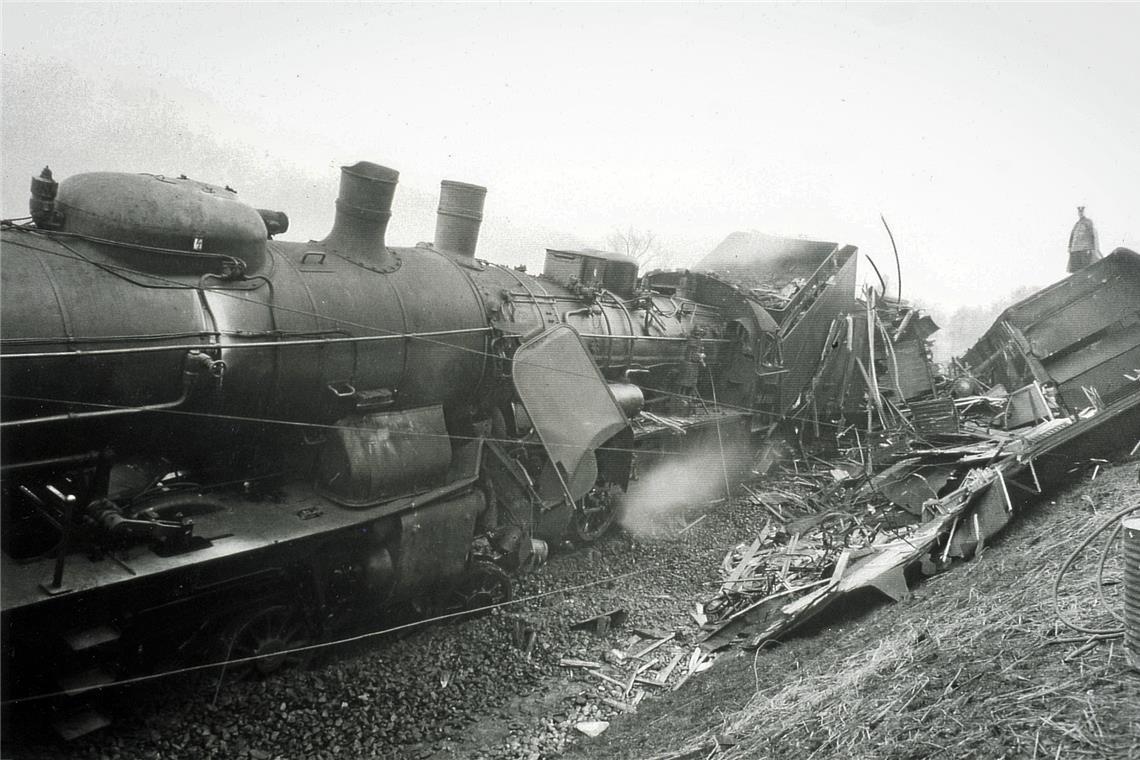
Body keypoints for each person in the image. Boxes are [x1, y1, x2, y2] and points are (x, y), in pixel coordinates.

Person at [1067, 206, 1101, 273]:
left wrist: (1092, 248)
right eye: (1079, 212)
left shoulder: (1088, 222)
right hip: (1075, 249)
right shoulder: (1076, 224)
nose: (1080, 213)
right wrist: (1069, 247)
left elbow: (1091, 234)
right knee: (1076, 268)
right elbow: (1072, 236)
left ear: (1084, 212)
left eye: (1082, 212)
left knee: (1085, 268)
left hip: (1084, 248)